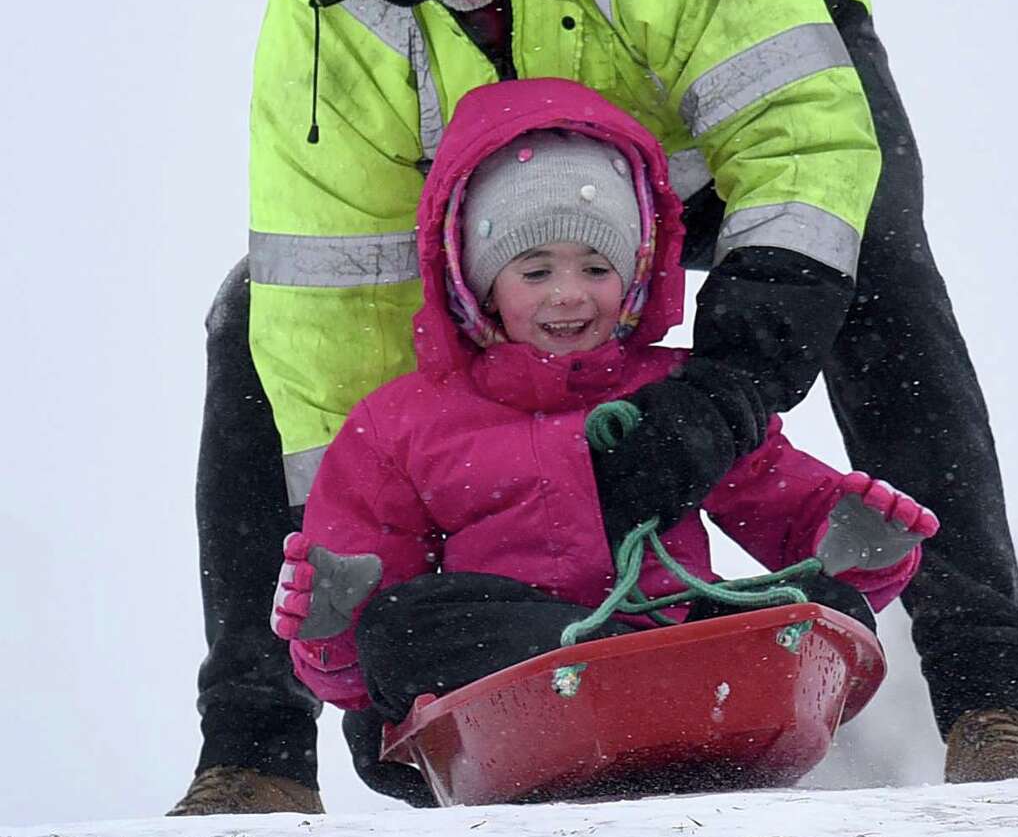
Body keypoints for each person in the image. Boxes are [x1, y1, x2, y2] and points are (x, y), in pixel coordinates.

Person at [171, 0, 1018, 817]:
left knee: (874, 260)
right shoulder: (329, 21)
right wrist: (361, 613)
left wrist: (725, 392)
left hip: (716, 141)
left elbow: (800, 150)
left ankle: (991, 704)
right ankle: (253, 755)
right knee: (250, 314)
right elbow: (329, 317)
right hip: (503, 200)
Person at [267, 78, 936, 781]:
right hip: (515, 661)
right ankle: (594, 675)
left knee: (818, 607)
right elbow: (358, 661)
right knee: (399, 624)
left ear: (636, 274)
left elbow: (781, 500)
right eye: (535, 271)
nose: (569, 294)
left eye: (595, 267)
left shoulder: (677, 398)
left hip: (667, 640)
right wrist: (334, 623)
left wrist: (854, 543)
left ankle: (637, 680)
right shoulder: (405, 422)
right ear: (479, 283)